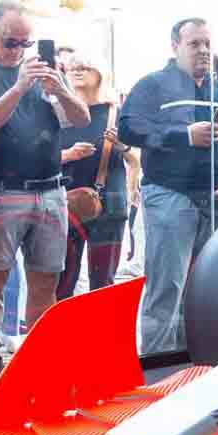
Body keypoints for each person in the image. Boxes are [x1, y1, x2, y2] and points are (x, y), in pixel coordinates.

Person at [0, 0, 89, 373]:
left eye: (26, 44)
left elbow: (79, 119)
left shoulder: (45, 73)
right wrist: (19, 87)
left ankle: (38, 367)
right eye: (11, 42)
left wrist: (59, 88)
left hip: (49, 191)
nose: (19, 51)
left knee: (46, 284)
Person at [120, 17, 218, 353]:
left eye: (208, 44)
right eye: (195, 44)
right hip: (170, 196)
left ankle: (193, 364)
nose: (204, 51)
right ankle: (157, 370)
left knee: (208, 287)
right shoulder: (152, 85)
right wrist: (181, 135)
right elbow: (127, 128)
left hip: (217, 201)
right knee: (167, 288)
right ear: (175, 46)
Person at [57, 49, 134, 299]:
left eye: (85, 66)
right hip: (67, 201)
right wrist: (68, 154)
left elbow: (136, 161)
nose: (77, 71)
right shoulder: (58, 112)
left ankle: (100, 336)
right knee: (62, 278)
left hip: (110, 202)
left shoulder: (116, 112)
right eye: (72, 67)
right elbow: (40, 156)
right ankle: (63, 335)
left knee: (103, 283)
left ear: (100, 74)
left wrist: (122, 145)